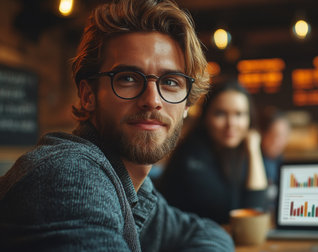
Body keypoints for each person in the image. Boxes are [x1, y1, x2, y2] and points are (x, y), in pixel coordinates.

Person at [0, 0, 233, 251]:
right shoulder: (70, 176)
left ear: (187, 105)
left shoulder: (132, 186)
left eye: (170, 82)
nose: (152, 100)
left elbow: (207, 231)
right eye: (128, 79)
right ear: (88, 95)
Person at [157, 80, 268, 224]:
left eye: (239, 114)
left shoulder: (236, 152)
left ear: (249, 119)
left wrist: (253, 151)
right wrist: (254, 152)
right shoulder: (192, 155)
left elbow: (258, 209)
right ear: (206, 118)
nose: (231, 124)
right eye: (221, 114)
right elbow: (244, 215)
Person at [259, 106, 291, 186]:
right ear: (262, 134)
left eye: (284, 136)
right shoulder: (252, 163)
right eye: (276, 136)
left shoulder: (280, 160)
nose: (281, 142)